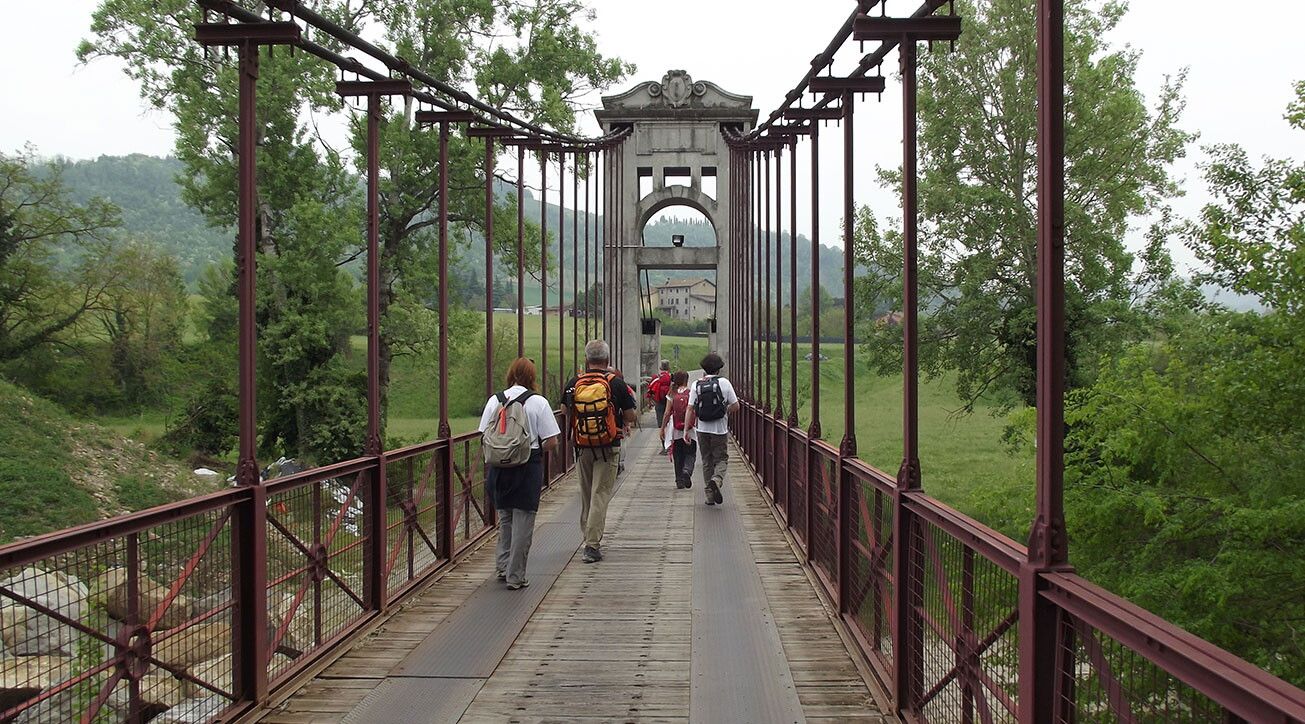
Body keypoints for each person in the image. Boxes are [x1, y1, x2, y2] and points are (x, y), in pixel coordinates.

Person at [479, 358, 561, 590]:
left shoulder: (495, 400)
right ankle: (515, 576)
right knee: (523, 523)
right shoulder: (538, 402)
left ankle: (503, 566)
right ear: (532, 377)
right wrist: (528, 448)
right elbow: (552, 442)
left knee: (505, 519)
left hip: (499, 469)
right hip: (527, 467)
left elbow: (483, 434)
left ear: (511, 374)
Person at [563, 341, 638, 563]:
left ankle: (588, 536)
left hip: (582, 445)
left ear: (587, 360)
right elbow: (631, 415)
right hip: (608, 445)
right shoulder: (616, 383)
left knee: (587, 494)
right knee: (600, 494)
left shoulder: (574, 382)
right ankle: (592, 545)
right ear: (607, 360)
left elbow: (565, 410)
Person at [685, 352, 740, 506]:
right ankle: (717, 480)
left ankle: (709, 497)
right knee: (722, 459)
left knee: (706, 460)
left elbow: (690, 409)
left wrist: (685, 431)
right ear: (718, 370)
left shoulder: (696, 384)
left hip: (701, 429)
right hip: (720, 429)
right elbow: (736, 406)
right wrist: (724, 410)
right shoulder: (725, 383)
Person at [658, 370, 696, 489]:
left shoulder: (672, 393)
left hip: (675, 429)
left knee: (677, 453)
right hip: (689, 429)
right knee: (690, 453)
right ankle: (687, 470)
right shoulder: (690, 393)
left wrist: (662, 428)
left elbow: (667, 413)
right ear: (686, 380)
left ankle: (679, 480)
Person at [647, 359, 672, 426]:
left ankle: (660, 431)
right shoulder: (671, 377)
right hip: (669, 401)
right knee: (669, 421)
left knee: (660, 421)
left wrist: (650, 402)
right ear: (669, 368)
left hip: (658, 400)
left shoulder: (656, 378)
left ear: (660, 368)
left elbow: (650, 391)